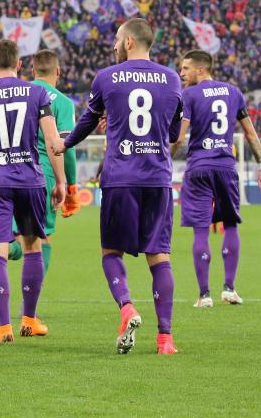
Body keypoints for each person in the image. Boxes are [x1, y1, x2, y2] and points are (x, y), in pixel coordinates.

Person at [54, 18, 183, 355]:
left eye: (116, 39)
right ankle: (165, 339)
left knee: (111, 252)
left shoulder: (107, 78)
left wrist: (64, 144)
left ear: (128, 42)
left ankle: (127, 306)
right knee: (159, 257)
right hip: (157, 178)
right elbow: (173, 135)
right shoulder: (171, 78)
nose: (113, 45)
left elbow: (86, 122)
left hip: (120, 177)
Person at [0, 39, 66, 344]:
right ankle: (30, 320)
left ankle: (3, 327)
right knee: (34, 247)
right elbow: (52, 140)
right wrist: (60, 181)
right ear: (20, 65)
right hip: (31, 179)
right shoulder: (37, 92)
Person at [172, 49, 261, 308]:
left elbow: (180, 137)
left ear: (201, 69)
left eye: (186, 68)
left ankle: (204, 295)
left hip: (198, 168)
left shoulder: (189, 95)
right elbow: (250, 134)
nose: (181, 73)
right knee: (230, 224)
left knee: (201, 229)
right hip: (227, 167)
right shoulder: (233, 92)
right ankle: (229, 289)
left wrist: (165, 160)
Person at [12, 50, 80, 272]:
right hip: (44, 174)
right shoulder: (63, 102)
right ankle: (31, 301)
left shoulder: (18, 93)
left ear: (32, 71)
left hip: (13, 169)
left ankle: (6, 249)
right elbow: (64, 147)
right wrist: (70, 184)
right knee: (42, 237)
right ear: (58, 72)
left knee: (17, 233)